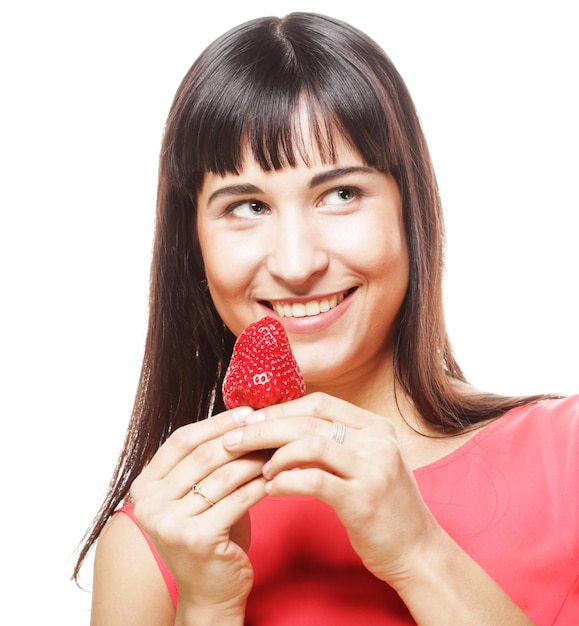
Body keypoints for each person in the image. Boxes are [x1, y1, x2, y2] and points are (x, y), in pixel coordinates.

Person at [73, 12, 578, 625]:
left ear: (407, 210)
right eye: (248, 205)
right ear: (194, 244)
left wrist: (419, 552)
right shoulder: (156, 540)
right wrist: (206, 604)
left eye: (340, 194)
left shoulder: (566, 456)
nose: (296, 262)